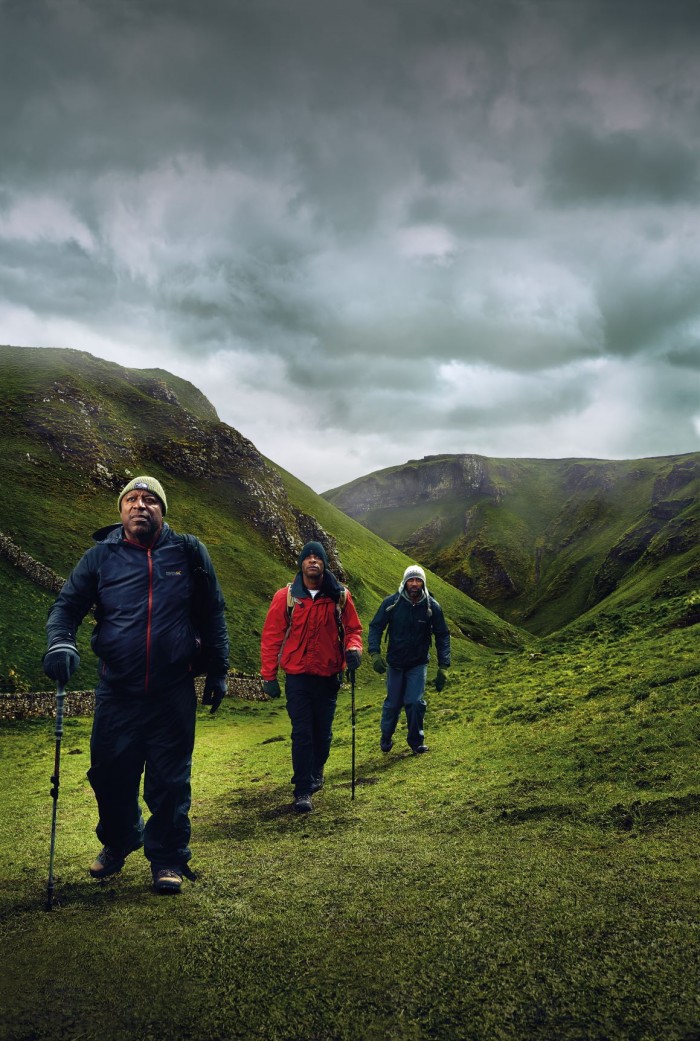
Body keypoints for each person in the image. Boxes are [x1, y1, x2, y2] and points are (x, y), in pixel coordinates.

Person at [42, 476, 229, 895]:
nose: (140, 505)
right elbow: (67, 607)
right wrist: (59, 642)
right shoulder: (100, 557)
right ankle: (122, 838)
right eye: (132, 499)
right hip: (117, 690)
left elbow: (213, 612)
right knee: (109, 776)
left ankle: (166, 860)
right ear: (120, 510)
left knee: (169, 781)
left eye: (150, 500)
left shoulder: (188, 552)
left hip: (172, 689)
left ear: (162, 510)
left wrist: (218, 668)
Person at [260, 541, 363, 812]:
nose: (313, 561)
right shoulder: (286, 597)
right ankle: (302, 789)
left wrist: (354, 648)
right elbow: (271, 638)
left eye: (318, 557)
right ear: (301, 564)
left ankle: (318, 769)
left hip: (329, 676)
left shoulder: (340, 596)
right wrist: (268, 676)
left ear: (325, 564)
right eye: (308, 557)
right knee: (302, 732)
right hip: (297, 677)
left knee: (323, 733)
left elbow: (354, 630)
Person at [369, 564, 450, 755]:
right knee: (393, 704)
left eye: (418, 580)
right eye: (411, 580)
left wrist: (444, 666)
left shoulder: (431, 607)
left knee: (415, 702)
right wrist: (375, 654)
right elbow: (375, 627)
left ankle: (416, 742)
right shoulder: (392, 603)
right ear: (405, 582)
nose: (414, 584)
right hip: (395, 663)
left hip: (418, 662)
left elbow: (443, 635)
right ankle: (386, 736)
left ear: (423, 583)